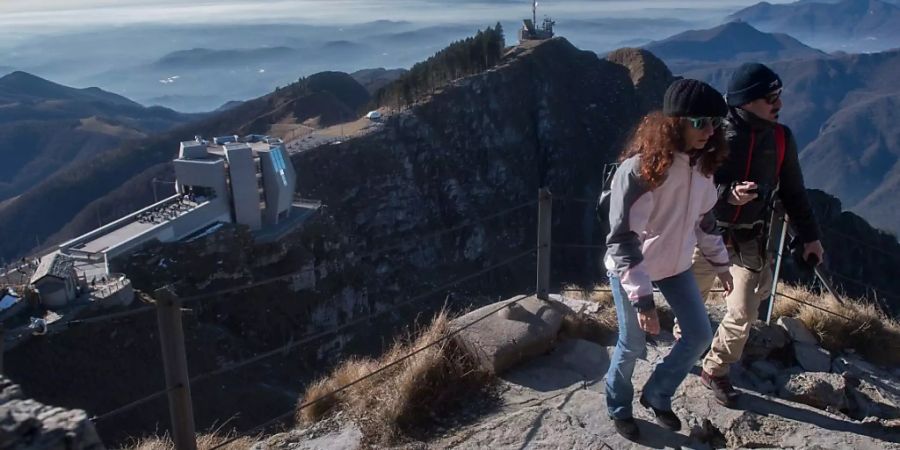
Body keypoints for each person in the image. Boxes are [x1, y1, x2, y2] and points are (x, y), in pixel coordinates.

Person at [605, 79, 734, 440]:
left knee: (698, 335)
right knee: (631, 343)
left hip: (675, 265)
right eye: (700, 122)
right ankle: (619, 407)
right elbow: (622, 238)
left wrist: (721, 265)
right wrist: (643, 300)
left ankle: (656, 394)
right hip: (632, 268)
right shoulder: (639, 170)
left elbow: (705, 222)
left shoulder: (702, 168)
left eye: (714, 123)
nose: (710, 131)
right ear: (674, 123)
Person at [693, 63, 825, 407]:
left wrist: (810, 237)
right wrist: (726, 195)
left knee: (744, 310)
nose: (778, 104)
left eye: (779, 95)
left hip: (751, 240)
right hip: (705, 234)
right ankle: (688, 342)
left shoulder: (781, 139)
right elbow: (690, 183)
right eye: (771, 98)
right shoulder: (712, 133)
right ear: (747, 101)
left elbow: (794, 192)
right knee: (689, 303)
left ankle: (716, 369)